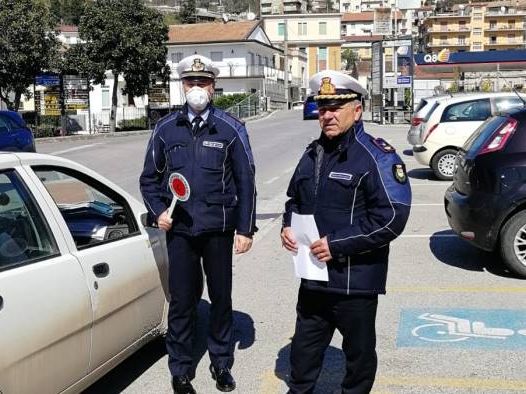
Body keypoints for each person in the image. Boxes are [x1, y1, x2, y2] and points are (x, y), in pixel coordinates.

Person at [280, 70, 411, 394]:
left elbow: (392, 216)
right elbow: (295, 199)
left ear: (357, 109)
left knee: (359, 362)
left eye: (336, 106)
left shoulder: (377, 156)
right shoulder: (312, 154)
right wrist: (287, 225)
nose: (328, 115)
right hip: (313, 279)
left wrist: (337, 244)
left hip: (355, 282)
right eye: (323, 108)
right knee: (302, 357)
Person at [139, 54, 257, 394]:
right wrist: (159, 209)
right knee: (182, 300)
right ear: (182, 86)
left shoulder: (231, 128)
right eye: (190, 82)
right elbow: (149, 179)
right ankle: (180, 369)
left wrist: (245, 228)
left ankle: (221, 362)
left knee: (220, 298)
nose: (196, 89)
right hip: (180, 232)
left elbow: (246, 180)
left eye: (202, 82)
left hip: (218, 229)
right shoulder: (164, 129)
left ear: (213, 86)